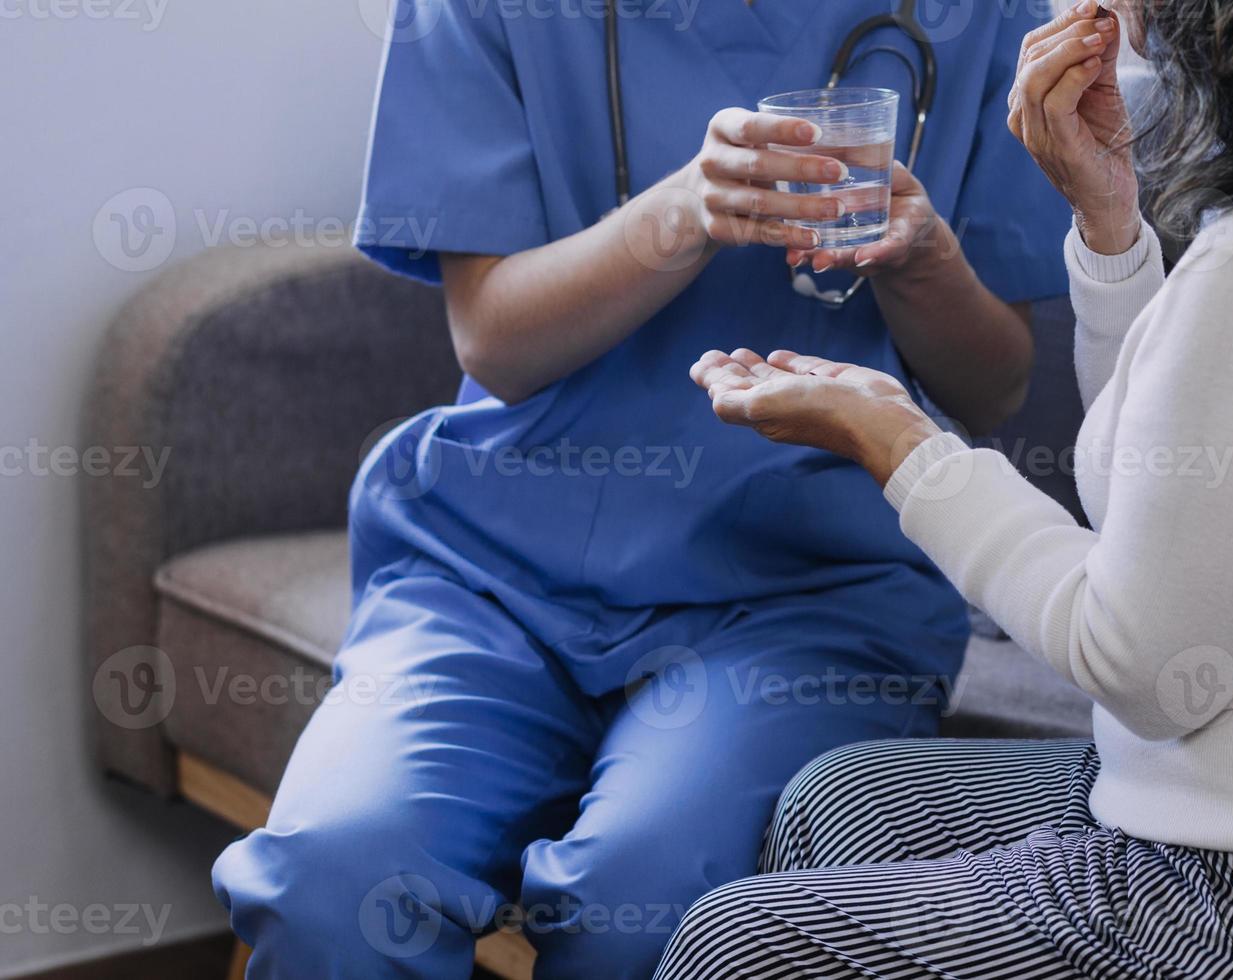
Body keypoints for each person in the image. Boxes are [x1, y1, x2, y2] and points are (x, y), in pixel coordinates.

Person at [660, 0, 1233, 976]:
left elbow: (1142, 663)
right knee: (844, 800)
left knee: (741, 942)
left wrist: (899, 442)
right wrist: (1110, 224)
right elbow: (1190, 490)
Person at [208, 0, 1071, 975]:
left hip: (805, 592)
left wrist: (923, 261)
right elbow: (494, 341)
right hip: (493, 573)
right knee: (333, 879)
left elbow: (991, 385)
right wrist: (684, 212)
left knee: (641, 901)